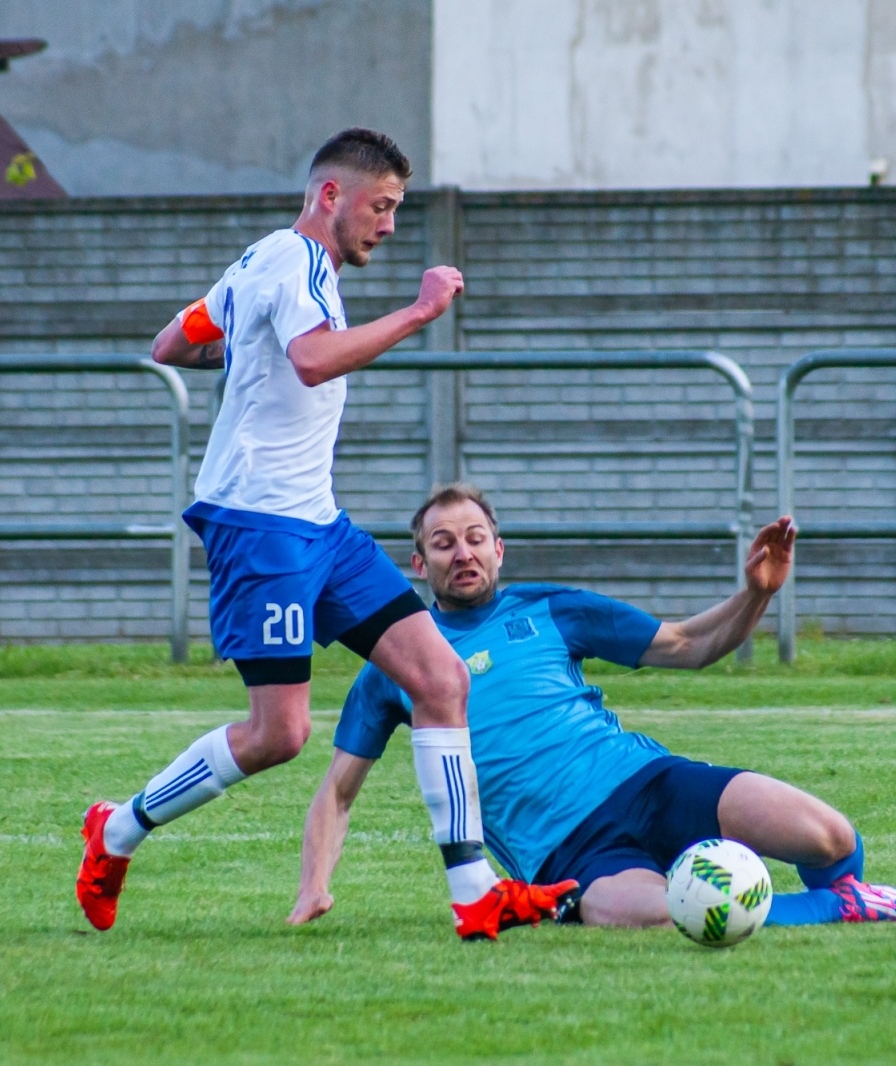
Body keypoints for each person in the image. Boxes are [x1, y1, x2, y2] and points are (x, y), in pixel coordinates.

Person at [74, 130, 573, 941]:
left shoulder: (262, 262)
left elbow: (172, 345)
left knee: (442, 679)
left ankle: (476, 894)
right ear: (331, 197)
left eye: (396, 210)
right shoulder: (298, 264)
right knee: (281, 734)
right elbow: (309, 361)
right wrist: (418, 312)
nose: (388, 225)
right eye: (381, 206)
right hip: (260, 526)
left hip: (318, 521)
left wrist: (239, 355)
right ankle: (118, 829)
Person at [290, 483, 896, 930]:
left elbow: (687, 644)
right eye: (444, 543)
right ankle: (840, 909)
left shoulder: (549, 609)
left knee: (829, 836)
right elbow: (338, 792)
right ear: (419, 564)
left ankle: (843, 888)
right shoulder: (394, 664)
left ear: (498, 549)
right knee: (654, 915)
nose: (462, 553)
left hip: (648, 783)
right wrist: (314, 885)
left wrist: (755, 594)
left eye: (475, 538)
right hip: (570, 852)